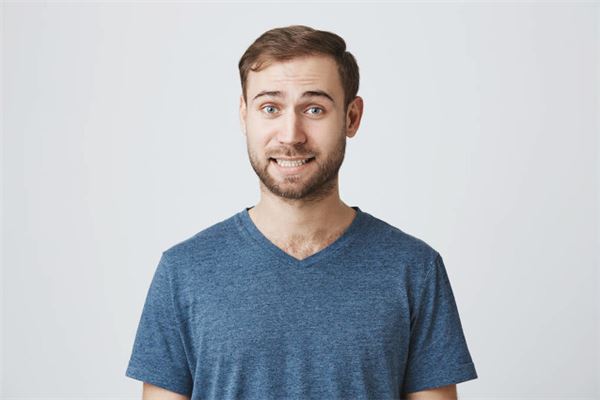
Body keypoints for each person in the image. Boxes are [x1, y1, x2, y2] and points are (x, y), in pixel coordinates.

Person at [125, 25, 478, 400]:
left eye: (314, 109)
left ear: (352, 117)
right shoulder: (183, 272)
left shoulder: (414, 269)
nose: (291, 135)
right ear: (244, 116)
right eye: (270, 108)